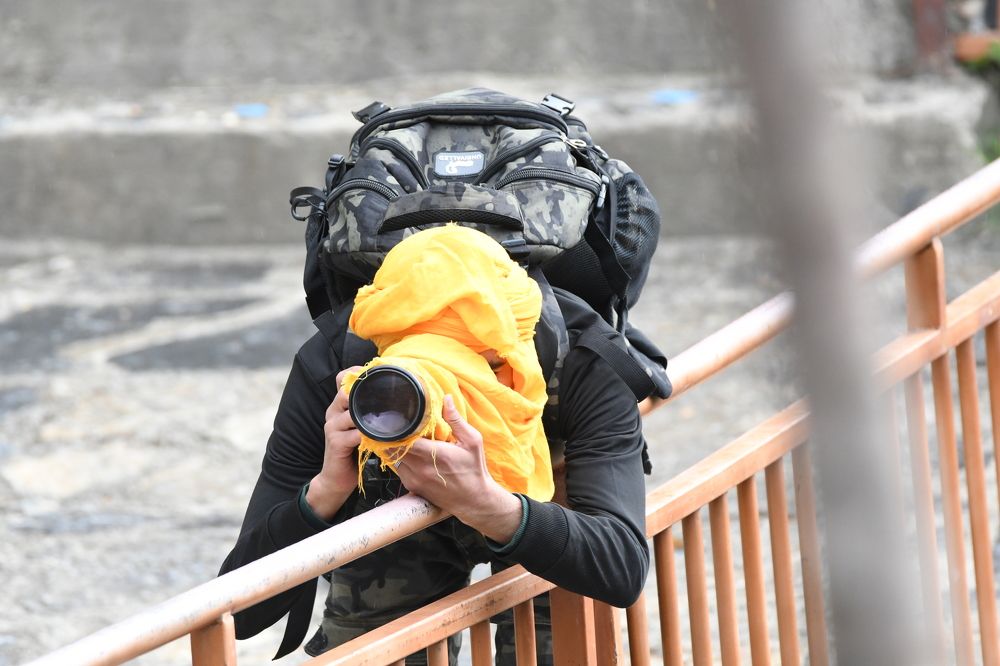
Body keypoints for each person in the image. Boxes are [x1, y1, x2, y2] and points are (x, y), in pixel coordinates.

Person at [219, 226, 650, 664]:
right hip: (391, 517)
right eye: (425, 369)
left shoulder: (579, 358)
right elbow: (240, 613)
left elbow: (622, 567)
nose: (451, 401)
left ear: (511, 354)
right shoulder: (341, 363)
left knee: (558, 623)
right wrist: (325, 492)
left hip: (542, 497)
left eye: (476, 374)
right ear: (386, 346)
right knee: (378, 633)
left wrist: (491, 507)